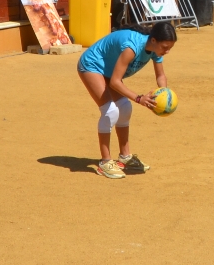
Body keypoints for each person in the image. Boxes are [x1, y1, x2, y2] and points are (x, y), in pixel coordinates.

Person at [76, 20, 177, 179]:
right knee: (110, 111)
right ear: (153, 40)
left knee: (125, 108)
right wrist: (139, 98)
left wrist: (165, 93)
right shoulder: (132, 48)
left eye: (170, 48)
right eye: (165, 47)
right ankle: (105, 162)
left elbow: (160, 76)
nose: (167, 51)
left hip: (109, 69)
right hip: (92, 64)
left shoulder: (156, 51)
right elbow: (115, 82)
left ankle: (125, 157)